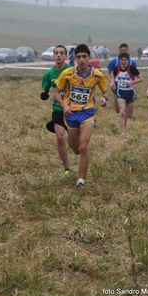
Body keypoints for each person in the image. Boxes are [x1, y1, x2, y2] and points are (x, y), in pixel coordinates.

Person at [53, 44, 108, 188]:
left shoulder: (97, 75)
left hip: (87, 114)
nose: (82, 59)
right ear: (74, 58)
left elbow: (105, 92)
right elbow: (56, 93)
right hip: (71, 115)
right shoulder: (68, 74)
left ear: (89, 58)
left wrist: (104, 98)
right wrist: (64, 106)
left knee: (83, 146)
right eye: (79, 57)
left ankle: (81, 180)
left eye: (84, 56)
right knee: (75, 148)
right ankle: (75, 150)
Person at [41, 45, 72, 174]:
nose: (59, 55)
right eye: (56, 53)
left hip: (72, 109)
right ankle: (67, 169)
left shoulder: (72, 71)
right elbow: (45, 89)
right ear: (53, 56)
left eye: (61, 53)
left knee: (74, 145)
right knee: (60, 137)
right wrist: (44, 94)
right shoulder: (49, 74)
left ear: (66, 56)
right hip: (58, 109)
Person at [112, 51, 143, 135]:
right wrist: (113, 83)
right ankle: (122, 132)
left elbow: (141, 79)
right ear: (120, 60)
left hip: (130, 92)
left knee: (129, 115)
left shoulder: (132, 68)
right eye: (122, 60)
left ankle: (124, 127)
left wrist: (132, 82)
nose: (123, 61)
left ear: (128, 60)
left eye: (125, 60)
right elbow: (114, 77)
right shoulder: (116, 69)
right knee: (122, 112)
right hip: (121, 92)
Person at [106, 43, 137, 113]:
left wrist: (134, 83)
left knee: (124, 110)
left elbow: (134, 74)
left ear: (128, 51)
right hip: (117, 87)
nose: (123, 52)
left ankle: (124, 123)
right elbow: (107, 73)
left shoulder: (132, 62)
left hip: (129, 88)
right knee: (118, 110)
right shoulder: (115, 61)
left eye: (125, 50)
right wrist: (112, 82)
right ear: (119, 52)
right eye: (121, 50)